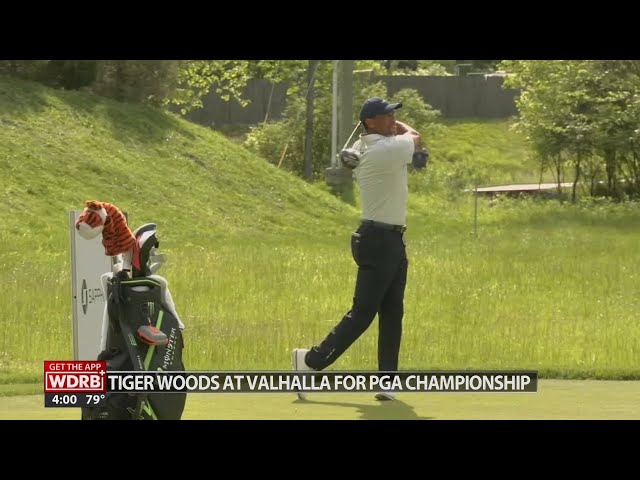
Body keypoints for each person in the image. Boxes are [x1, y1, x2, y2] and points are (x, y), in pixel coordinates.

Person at [292, 97, 421, 401]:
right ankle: (310, 362)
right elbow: (416, 137)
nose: (393, 120)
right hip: (378, 240)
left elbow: (406, 139)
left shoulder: (373, 147)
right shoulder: (383, 150)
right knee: (363, 314)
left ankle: (387, 380)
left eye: (394, 115)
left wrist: (388, 125)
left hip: (390, 239)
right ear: (370, 123)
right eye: (386, 115)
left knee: (392, 311)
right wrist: (399, 127)